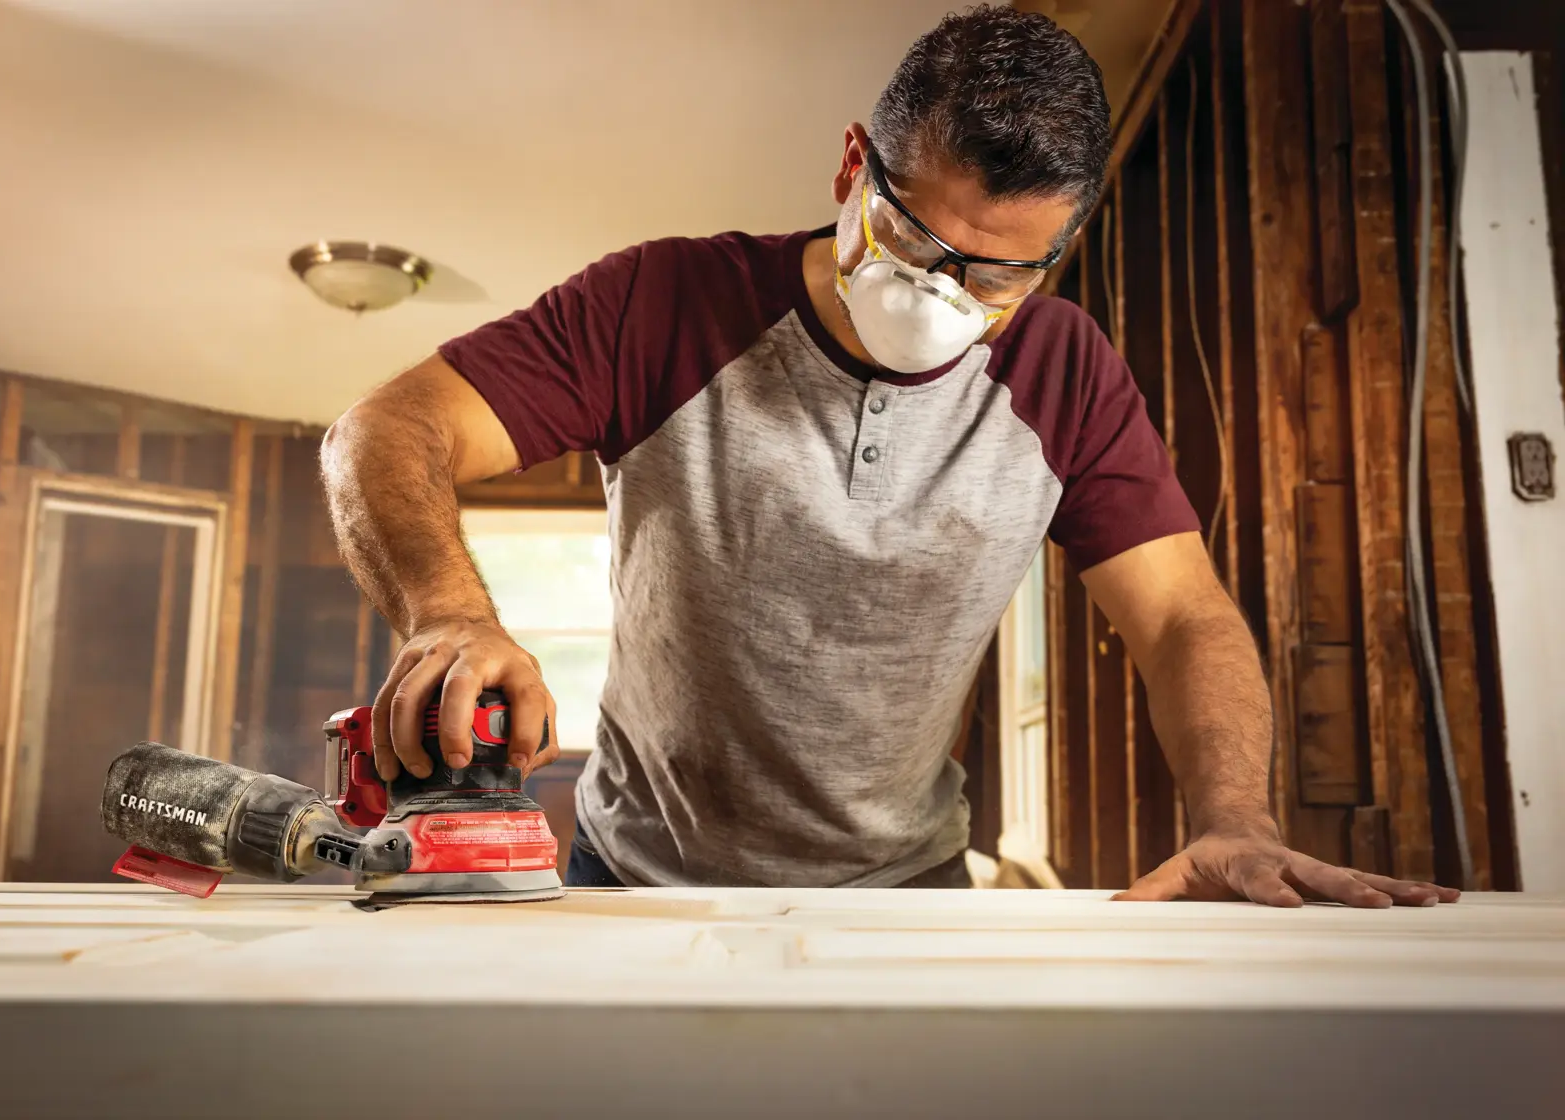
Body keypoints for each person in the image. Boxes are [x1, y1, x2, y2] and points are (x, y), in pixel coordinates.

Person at [320, 5, 1456, 906]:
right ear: (853, 168)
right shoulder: (665, 303)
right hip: (636, 874)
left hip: (908, 887)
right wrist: (448, 613)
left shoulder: (1064, 373)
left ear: (1055, 257)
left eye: (997, 274)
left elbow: (1181, 619)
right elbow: (386, 428)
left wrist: (1235, 819)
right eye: (914, 237)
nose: (940, 293)